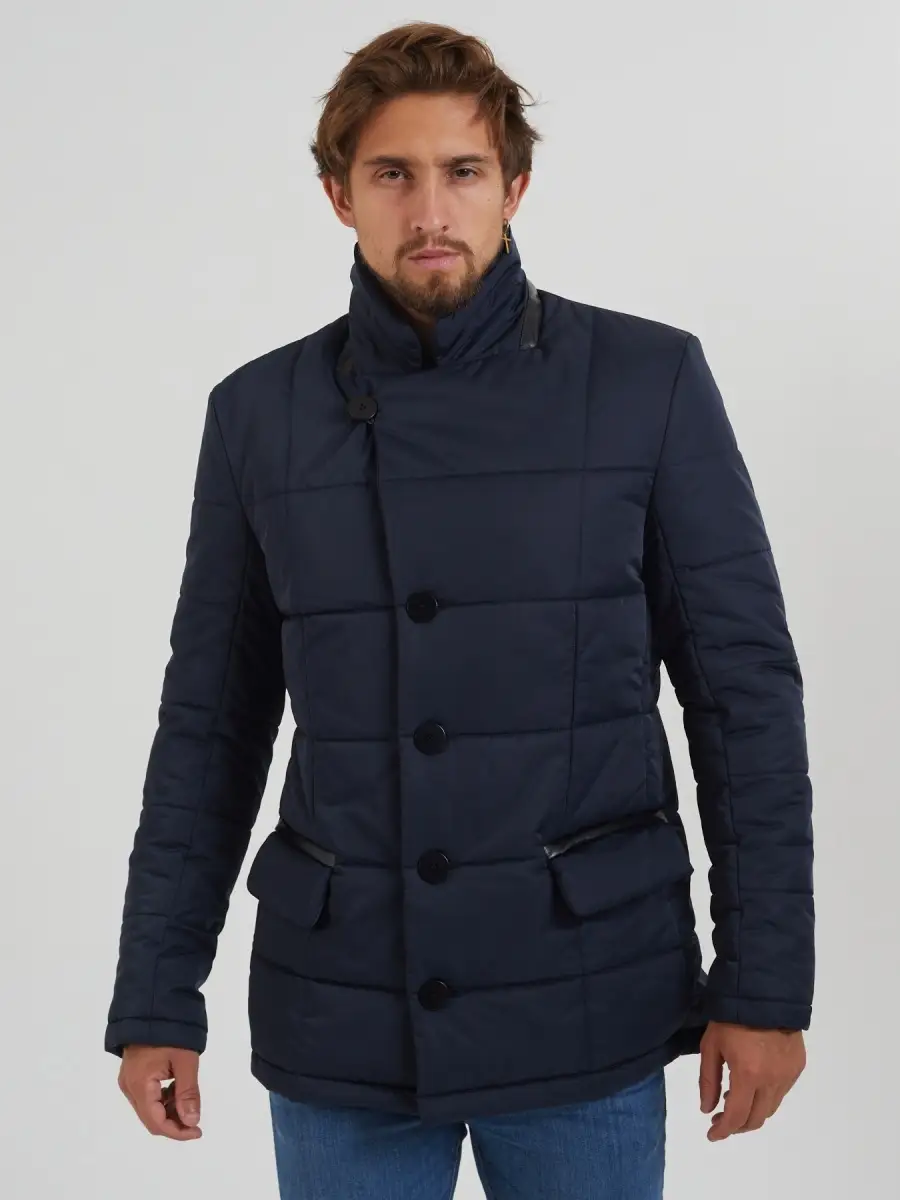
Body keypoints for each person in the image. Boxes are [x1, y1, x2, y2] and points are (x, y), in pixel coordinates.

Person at [105, 20, 814, 1199]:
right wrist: (153, 996)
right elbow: (209, 727)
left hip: (586, 993)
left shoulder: (647, 383)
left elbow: (744, 698)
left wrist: (765, 987)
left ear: (514, 187)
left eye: (463, 171)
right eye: (393, 174)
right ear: (340, 196)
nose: (430, 210)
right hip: (344, 1012)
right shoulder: (259, 415)